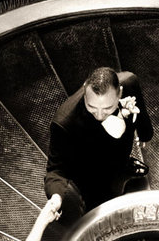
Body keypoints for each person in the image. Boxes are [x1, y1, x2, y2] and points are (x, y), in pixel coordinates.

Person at [45, 67, 153, 225]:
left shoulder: (129, 82)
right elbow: (55, 170)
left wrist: (145, 133)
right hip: (92, 170)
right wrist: (56, 196)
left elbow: (141, 110)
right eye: (92, 107)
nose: (100, 116)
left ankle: (124, 168)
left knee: (120, 162)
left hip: (120, 151)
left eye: (108, 108)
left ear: (120, 93)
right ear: (84, 89)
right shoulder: (64, 123)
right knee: (102, 208)